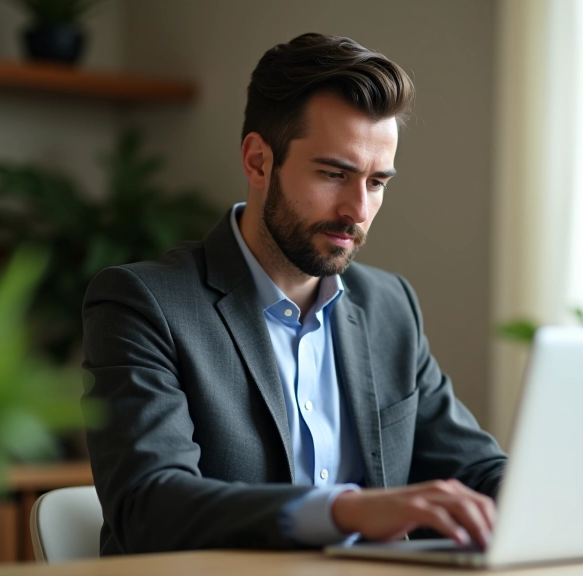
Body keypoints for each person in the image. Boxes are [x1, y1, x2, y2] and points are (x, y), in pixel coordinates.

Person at [82, 32, 507, 556]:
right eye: (334, 174)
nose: (358, 210)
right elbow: (150, 506)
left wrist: (551, 499)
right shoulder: (143, 304)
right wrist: (344, 510)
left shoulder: (389, 307)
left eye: (377, 183)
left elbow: (475, 468)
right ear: (259, 161)